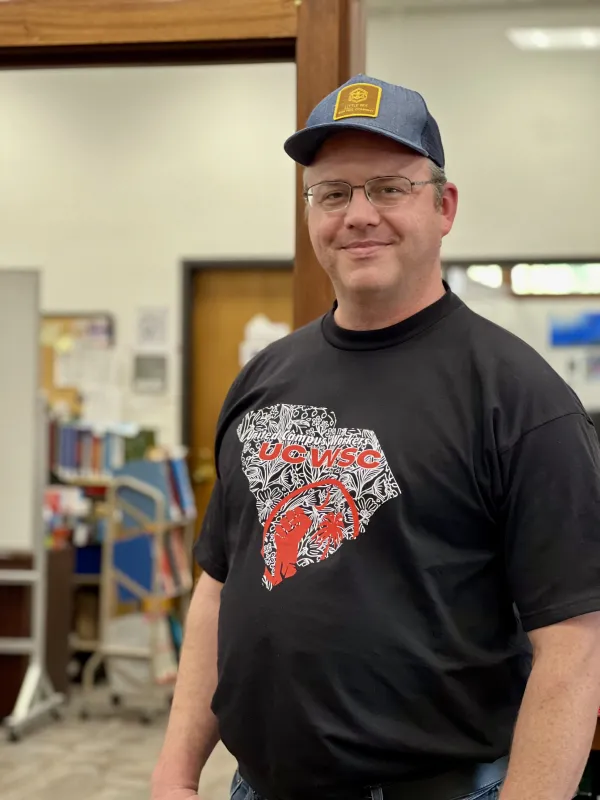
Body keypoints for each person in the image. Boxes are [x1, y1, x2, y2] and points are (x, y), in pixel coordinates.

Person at [151, 74, 600, 800]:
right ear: (311, 213)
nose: (359, 215)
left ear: (443, 205)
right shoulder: (265, 379)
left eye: (389, 188)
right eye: (333, 193)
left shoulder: (520, 398)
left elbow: (576, 644)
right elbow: (218, 586)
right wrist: (175, 772)